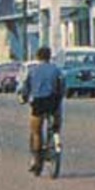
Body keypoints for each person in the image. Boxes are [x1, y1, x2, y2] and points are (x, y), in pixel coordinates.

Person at [18, 45, 66, 175]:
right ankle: (55, 135)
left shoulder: (33, 71)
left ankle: (37, 160)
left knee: (36, 131)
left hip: (38, 102)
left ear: (38, 57)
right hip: (53, 102)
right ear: (50, 57)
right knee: (56, 124)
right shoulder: (56, 70)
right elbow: (62, 88)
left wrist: (23, 98)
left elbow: (25, 89)